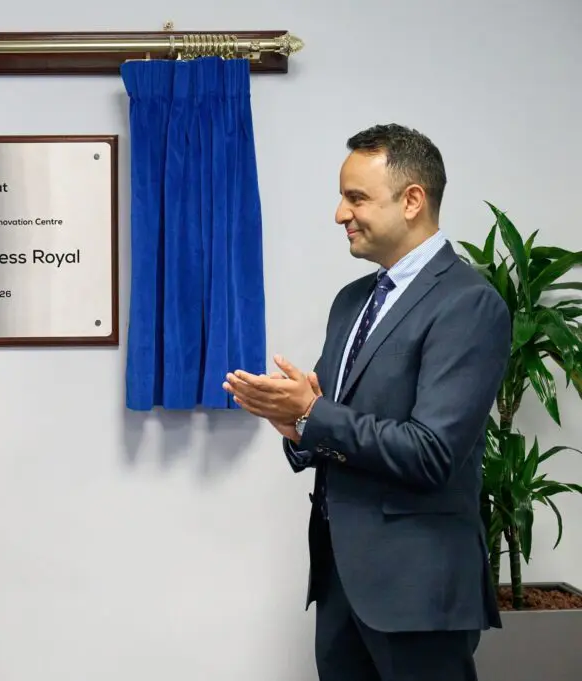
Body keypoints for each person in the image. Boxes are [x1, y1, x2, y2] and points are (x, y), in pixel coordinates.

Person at [224, 124, 511, 681]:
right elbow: (330, 421)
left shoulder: (468, 303)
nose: (340, 214)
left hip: (418, 592)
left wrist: (313, 414)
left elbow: (432, 453)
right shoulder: (352, 300)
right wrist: (295, 424)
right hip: (340, 586)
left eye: (356, 198)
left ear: (412, 200)